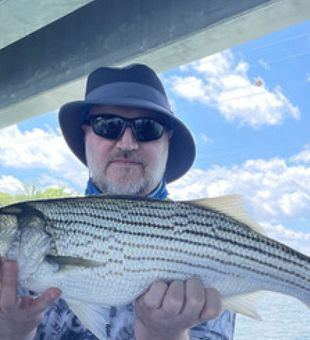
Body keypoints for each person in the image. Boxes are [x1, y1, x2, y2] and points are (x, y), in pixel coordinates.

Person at [0, 64, 236, 340]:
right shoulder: (14, 263)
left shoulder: (207, 237)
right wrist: (11, 332)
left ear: (167, 142)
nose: (127, 142)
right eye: (107, 125)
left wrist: (165, 336)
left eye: (148, 128)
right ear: (86, 135)